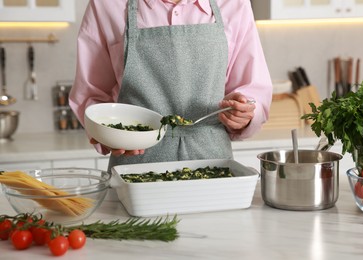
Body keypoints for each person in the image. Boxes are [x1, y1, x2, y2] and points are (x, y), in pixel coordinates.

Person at [69, 0, 273, 171]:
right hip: (134, 168)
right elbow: (90, 94)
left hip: (214, 168)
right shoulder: (107, 4)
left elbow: (253, 89)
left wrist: (243, 113)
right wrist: (107, 134)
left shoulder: (233, 3)